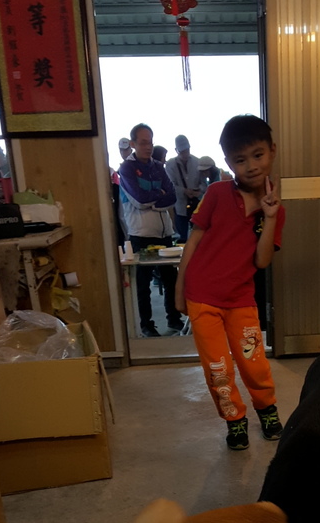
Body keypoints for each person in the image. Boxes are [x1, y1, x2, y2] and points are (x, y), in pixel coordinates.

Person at [175, 114, 285, 451]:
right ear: (228, 162)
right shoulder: (217, 193)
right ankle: (234, 420)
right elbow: (193, 241)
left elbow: (262, 261)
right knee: (218, 368)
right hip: (202, 297)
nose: (251, 166)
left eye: (258, 155)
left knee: (254, 363)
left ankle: (267, 410)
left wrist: (269, 217)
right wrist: (180, 290)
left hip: (241, 301)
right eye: (240, 160)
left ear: (272, 151)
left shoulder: (275, 209)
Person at [118, 123, 184, 337]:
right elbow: (139, 200)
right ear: (133, 143)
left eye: (151, 142)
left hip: (165, 234)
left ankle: (174, 319)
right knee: (142, 284)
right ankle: (146, 325)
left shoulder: (157, 166)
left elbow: (172, 197)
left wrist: (154, 199)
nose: (148, 147)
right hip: (140, 234)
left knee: (170, 279)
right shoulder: (126, 169)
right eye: (143, 143)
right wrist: (159, 195)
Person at [165, 135, 203, 243]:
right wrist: (184, 191)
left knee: (199, 236)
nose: (185, 153)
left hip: (196, 204)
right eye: (182, 151)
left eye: (187, 150)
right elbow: (170, 185)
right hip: (180, 206)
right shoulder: (170, 164)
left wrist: (198, 191)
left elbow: (203, 182)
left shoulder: (197, 162)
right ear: (176, 150)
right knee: (182, 238)